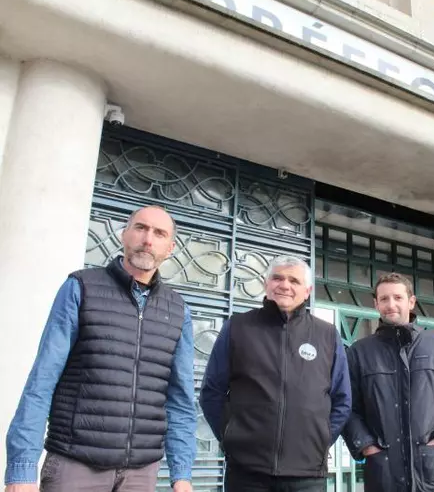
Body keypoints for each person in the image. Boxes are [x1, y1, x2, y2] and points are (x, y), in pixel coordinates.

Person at [4, 205, 197, 492]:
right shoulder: (80, 287)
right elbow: (42, 381)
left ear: (169, 248)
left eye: (159, 233)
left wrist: (182, 475)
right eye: (140, 228)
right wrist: (21, 470)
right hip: (76, 466)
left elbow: (180, 400)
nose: (148, 239)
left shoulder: (179, 310)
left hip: (140, 475)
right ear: (124, 234)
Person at [199, 255, 351, 492]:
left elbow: (342, 399)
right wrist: (231, 436)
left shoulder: (327, 335)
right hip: (247, 473)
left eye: (294, 280)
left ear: (308, 290)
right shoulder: (238, 326)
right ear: (266, 283)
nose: (285, 285)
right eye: (277, 278)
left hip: (307, 474)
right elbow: (212, 391)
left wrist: (319, 441)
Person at [342, 272, 434, 492]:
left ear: (411, 301)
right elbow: (346, 406)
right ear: (376, 304)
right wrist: (367, 446)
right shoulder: (359, 352)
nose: (391, 305)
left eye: (398, 297)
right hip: (384, 475)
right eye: (384, 299)